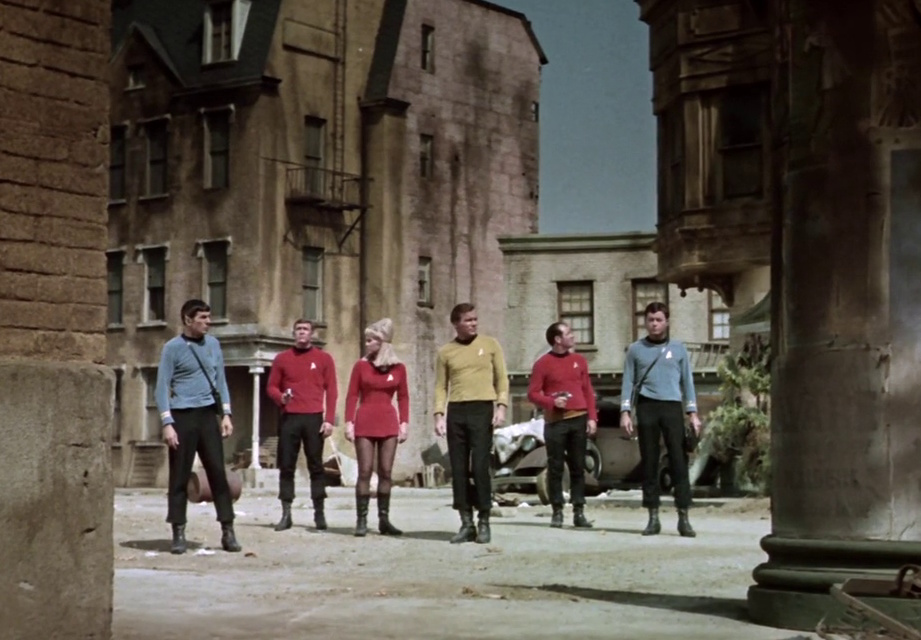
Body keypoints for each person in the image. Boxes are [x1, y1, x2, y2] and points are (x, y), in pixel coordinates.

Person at [156, 299, 241, 554]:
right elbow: (161, 387)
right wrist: (167, 423)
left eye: (209, 317)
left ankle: (228, 530)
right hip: (182, 416)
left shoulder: (213, 345)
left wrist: (226, 414)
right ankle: (178, 532)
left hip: (207, 415)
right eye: (202, 318)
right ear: (188, 320)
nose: (208, 322)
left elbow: (221, 381)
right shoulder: (172, 348)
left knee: (218, 473)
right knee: (179, 476)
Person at [620, 301, 702, 537]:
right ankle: (652, 516)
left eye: (658, 320)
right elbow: (628, 381)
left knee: (678, 460)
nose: (654, 324)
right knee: (649, 461)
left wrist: (693, 413)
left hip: (672, 406)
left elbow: (687, 381)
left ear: (666, 322)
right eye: (650, 320)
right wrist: (625, 411)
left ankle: (683, 516)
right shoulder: (635, 349)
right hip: (647, 406)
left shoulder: (679, 349)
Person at [434, 303, 509, 544]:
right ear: (456, 323)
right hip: (457, 411)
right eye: (468, 320)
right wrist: (438, 415)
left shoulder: (490, 345)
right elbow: (440, 386)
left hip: (482, 409)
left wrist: (501, 406)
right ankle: (466, 523)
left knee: (479, 467)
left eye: (475, 319)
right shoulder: (446, 352)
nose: (474, 323)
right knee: (458, 469)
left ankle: (484, 520)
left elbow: (502, 378)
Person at [266, 319, 338, 531]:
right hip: (290, 417)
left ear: (312, 333)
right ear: (293, 333)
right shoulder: (282, 358)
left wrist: (329, 419)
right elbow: (271, 387)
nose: (301, 333)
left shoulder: (324, 358)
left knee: (316, 466)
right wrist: (281, 397)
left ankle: (319, 513)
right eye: (298, 329)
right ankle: (286, 514)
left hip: (314, 417)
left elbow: (332, 390)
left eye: (305, 329)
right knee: (286, 465)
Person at [527, 322, 598, 529]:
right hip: (555, 422)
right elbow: (533, 393)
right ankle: (557, 510)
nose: (573, 336)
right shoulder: (542, 364)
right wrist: (551, 402)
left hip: (578, 419)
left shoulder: (579, 361)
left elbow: (587, 391)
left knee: (578, 466)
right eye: (568, 333)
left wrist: (592, 418)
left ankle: (579, 511)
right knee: (556, 467)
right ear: (557, 339)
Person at [344, 318, 410, 537]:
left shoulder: (399, 368)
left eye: (370, 340)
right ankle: (361, 521)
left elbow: (403, 397)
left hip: (388, 422)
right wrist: (349, 422)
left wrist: (404, 423)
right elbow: (352, 395)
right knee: (364, 471)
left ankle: (384, 520)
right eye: (366, 340)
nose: (367, 344)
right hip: (365, 421)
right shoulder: (360, 366)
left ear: (382, 343)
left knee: (386, 472)